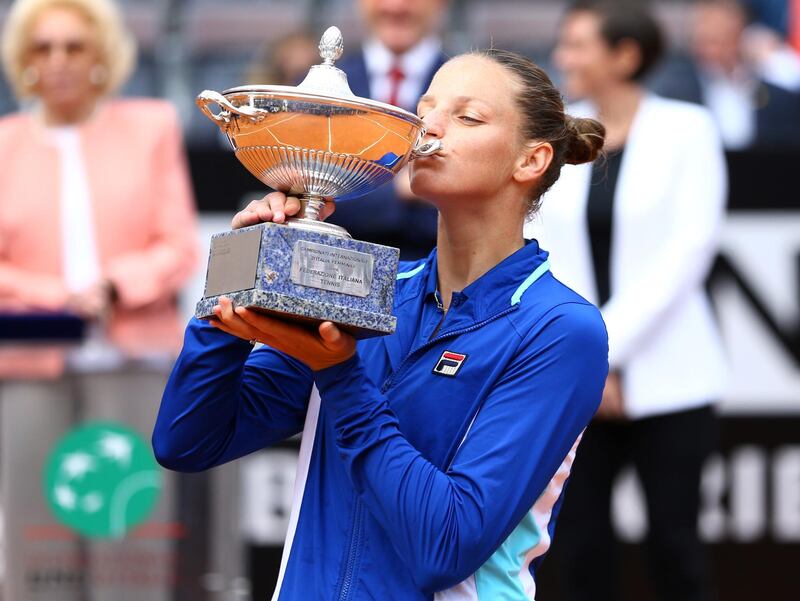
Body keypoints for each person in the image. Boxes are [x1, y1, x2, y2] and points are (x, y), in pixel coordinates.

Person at [154, 49, 609, 600]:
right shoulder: (366, 290)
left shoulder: (559, 329)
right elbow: (188, 441)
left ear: (530, 161)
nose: (429, 127)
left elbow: (445, 545)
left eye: (467, 117)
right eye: (426, 108)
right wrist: (240, 276)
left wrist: (341, 376)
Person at [525, 3, 728, 601]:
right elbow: (547, 251)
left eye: (579, 45)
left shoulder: (689, 128)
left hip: (671, 376)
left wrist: (607, 349)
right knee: (580, 548)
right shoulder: (560, 132)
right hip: (580, 381)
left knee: (676, 546)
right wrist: (592, 360)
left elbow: (688, 252)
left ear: (626, 55)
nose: (564, 57)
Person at [0, 0, 198, 599]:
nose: (57, 61)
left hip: (132, 360)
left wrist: (115, 285)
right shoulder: (3, 144)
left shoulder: (151, 127)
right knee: (39, 548)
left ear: (100, 57)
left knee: (131, 547)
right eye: (43, 47)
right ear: (25, 61)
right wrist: (61, 297)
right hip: (32, 366)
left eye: (73, 46)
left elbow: (178, 246)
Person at [329, 0, 449, 259]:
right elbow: (314, 203)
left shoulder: (471, 94)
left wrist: (354, 191)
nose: (395, 6)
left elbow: (470, 209)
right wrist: (405, 189)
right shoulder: (317, 90)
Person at [655, 0, 800, 149]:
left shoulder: (778, 98)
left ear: (739, 38)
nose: (709, 51)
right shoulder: (673, 93)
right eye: (702, 42)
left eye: (718, 41)